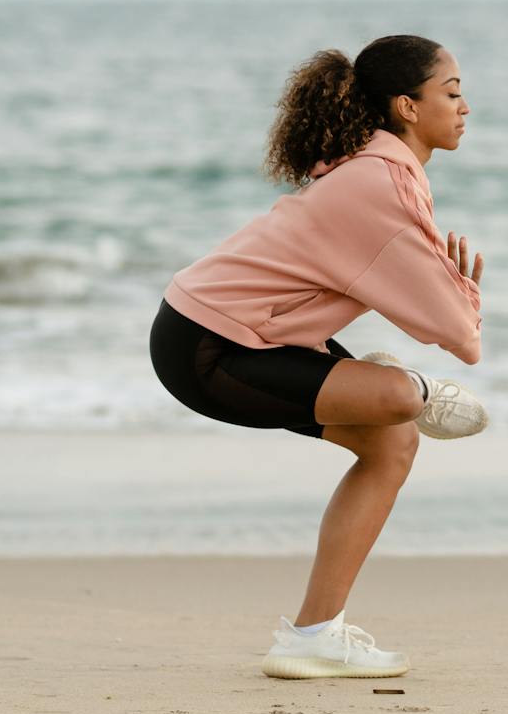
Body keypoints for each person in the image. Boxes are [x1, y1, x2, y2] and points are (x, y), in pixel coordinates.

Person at [148, 34, 487, 680]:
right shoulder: (380, 184)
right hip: (208, 342)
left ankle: (313, 634)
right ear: (407, 107)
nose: (465, 105)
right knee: (398, 404)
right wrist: (463, 296)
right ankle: (408, 388)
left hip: (251, 331)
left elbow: (437, 311)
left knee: (392, 445)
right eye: (452, 91)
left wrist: (453, 295)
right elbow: (460, 336)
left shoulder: (385, 172)